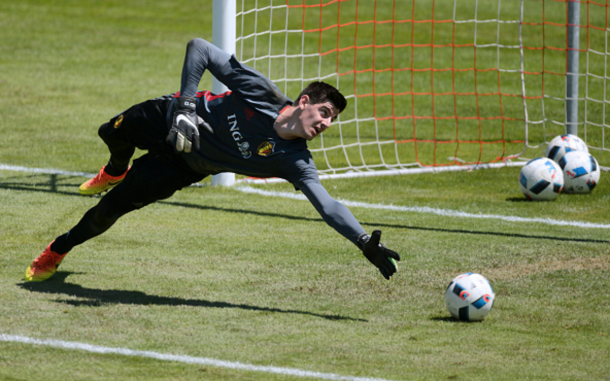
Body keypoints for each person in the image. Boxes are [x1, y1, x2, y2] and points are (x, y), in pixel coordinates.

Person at [24, 38, 400, 283]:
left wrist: (363, 240)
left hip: (181, 167)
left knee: (108, 212)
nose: (327, 123)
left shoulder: (294, 161)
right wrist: (187, 107)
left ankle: (58, 249)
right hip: (168, 116)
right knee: (110, 132)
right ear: (304, 102)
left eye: (332, 119)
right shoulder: (261, 92)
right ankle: (116, 168)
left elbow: (327, 203)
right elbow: (199, 48)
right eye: (325, 111)